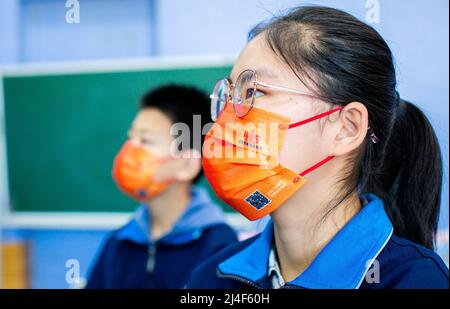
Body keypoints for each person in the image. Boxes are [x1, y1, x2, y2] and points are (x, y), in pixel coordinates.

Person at [187, 6, 449, 289]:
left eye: (254, 92)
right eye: (229, 95)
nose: (229, 115)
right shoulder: (212, 278)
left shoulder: (413, 280)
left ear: (346, 128)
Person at [86, 84, 238, 289]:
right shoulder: (119, 242)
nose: (130, 150)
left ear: (186, 165)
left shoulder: (219, 245)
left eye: (145, 140)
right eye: (131, 138)